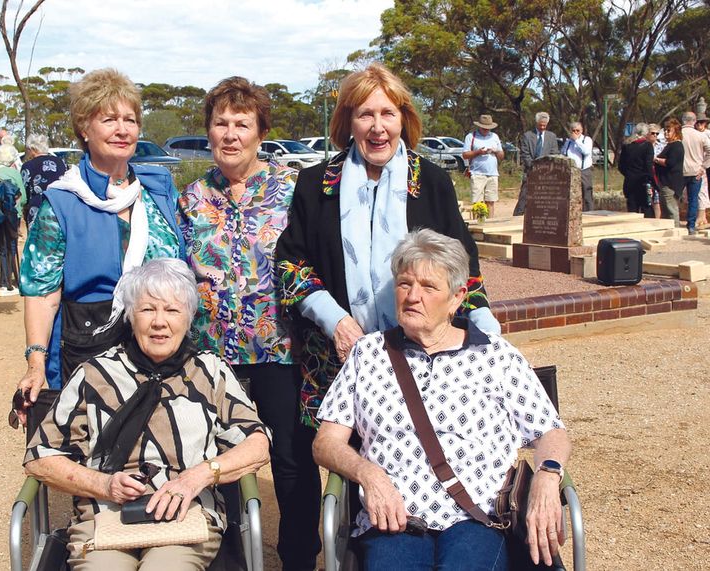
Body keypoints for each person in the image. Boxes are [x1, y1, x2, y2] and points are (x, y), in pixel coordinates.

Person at [313, 229, 571, 571]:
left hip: (478, 517)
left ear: (457, 298)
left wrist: (547, 475)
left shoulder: (494, 355)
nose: (412, 296)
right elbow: (325, 443)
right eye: (405, 284)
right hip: (394, 518)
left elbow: (551, 432)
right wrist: (368, 474)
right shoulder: (369, 353)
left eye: (428, 287)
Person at [276, 63, 499, 431]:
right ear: (349, 121)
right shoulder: (315, 185)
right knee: (347, 467)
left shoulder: (432, 182)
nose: (378, 127)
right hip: (342, 356)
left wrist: (485, 328)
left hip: (427, 355)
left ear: (403, 119)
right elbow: (292, 265)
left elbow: (465, 269)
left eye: (387, 114)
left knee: (422, 460)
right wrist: (338, 323)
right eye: (366, 114)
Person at [23, 258, 271, 571]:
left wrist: (198, 476)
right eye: (148, 309)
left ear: (188, 317)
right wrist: (106, 485)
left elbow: (258, 443)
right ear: (130, 315)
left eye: (172, 310)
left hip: (185, 516)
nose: (159, 322)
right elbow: (40, 458)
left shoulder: (210, 372)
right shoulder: (96, 374)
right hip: (104, 517)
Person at [178, 76, 319, 570]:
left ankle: (300, 556)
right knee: (221, 457)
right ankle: (232, 555)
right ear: (209, 131)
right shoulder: (191, 198)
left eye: (242, 124)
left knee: (290, 461)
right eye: (221, 123)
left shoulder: (292, 189)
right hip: (212, 356)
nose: (230, 134)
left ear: (261, 132)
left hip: (280, 351)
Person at [16, 68, 186, 421]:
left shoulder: (158, 187)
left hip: (163, 344)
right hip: (91, 350)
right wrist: (35, 362)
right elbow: (42, 292)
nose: (123, 130)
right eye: (108, 119)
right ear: (84, 128)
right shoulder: (61, 202)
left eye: (130, 119)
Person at [0, 142, 27, 296]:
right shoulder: (14, 173)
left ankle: (0, 279)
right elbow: (23, 197)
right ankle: (7, 282)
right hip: (11, 215)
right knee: (10, 246)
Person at [514, 111, 559, 215]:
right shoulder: (527, 136)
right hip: (530, 171)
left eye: (544, 125)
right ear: (536, 123)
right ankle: (518, 215)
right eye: (540, 125)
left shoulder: (551, 136)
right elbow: (525, 154)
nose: (542, 127)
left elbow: (554, 153)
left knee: (544, 199)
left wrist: (546, 169)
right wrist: (534, 168)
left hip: (547, 174)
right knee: (524, 196)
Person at [461, 114, 504, 218]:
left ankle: (490, 224)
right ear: (479, 126)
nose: (486, 130)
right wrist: (478, 152)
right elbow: (465, 155)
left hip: (493, 174)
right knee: (478, 202)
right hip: (477, 173)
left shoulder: (495, 137)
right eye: (484, 128)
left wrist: (496, 151)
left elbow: (502, 156)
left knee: (491, 201)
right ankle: (479, 225)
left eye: (488, 128)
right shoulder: (471, 137)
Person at [20, 134, 67, 228]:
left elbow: (24, 193)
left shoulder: (28, 166)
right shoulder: (60, 162)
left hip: (37, 209)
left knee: (36, 240)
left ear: (33, 149)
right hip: (59, 207)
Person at [680, 111, 710, 234]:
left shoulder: (678, 135)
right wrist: (703, 167)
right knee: (693, 199)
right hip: (696, 172)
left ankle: (674, 222)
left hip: (680, 172)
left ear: (683, 120)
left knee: (676, 197)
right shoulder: (700, 136)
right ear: (694, 121)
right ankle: (691, 225)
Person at [618, 123, 654, 216]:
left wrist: (629, 174)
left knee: (632, 211)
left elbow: (621, 166)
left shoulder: (627, 145)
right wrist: (651, 181)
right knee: (647, 210)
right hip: (643, 182)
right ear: (646, 133)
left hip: (629, 182)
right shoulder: (647, 146)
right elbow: (648, 166)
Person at [653, 118, 684, 227]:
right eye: (665, 130)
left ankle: (675, 230)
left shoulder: (677, 146)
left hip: (671, 183)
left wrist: (656, 159)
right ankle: (667, 230)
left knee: (671, 209)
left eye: (669, 130)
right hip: (664, 182)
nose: (666, 132)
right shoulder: (669, 145)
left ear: (676, 132)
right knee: (665, 210)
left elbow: (670, 162)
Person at [561, 121, 594, 212]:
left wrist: (577, 140)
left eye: (577, 130)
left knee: (587, 193)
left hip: (584, 170)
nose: (575, 132)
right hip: (571, 171)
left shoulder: (586, 140)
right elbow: (563, 153)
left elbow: (586, 151)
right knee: (571, 194)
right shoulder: (568, 142)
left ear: (581, 130)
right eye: (573, 130)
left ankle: (589, 213)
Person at [694, 114, 710, 229]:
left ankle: (702, 216)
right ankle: (702, 217)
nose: (699, 125)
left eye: (701, 122)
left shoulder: (707, 134)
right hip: (698, 164)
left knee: (703, 190)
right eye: (697, 122)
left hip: (705, 164)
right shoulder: (695, 134)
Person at [646, 124, 663, 218]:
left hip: (657, 175)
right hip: (646, 176)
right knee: (648, 200)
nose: (655, 135)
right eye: (653, 133)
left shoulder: (661, 146)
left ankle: (658, 220)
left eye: (657, 133)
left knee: (657, 200)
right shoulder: (643, 146)